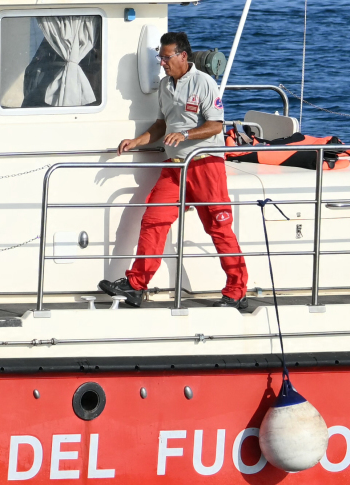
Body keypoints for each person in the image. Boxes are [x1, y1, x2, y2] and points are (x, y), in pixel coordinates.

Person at [99, 31, 255, 313]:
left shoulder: (204, 83)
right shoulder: (165, 86)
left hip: (205, 164)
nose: (162, 62)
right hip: (174, 168)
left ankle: (237, 289)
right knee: (153, 221)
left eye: (166, 57)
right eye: (160, 57)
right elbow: (162, 125)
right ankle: (136, 285)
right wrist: (136, 142)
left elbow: (216, 125)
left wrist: (185, 135)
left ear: (183, 56)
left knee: (218, 228)